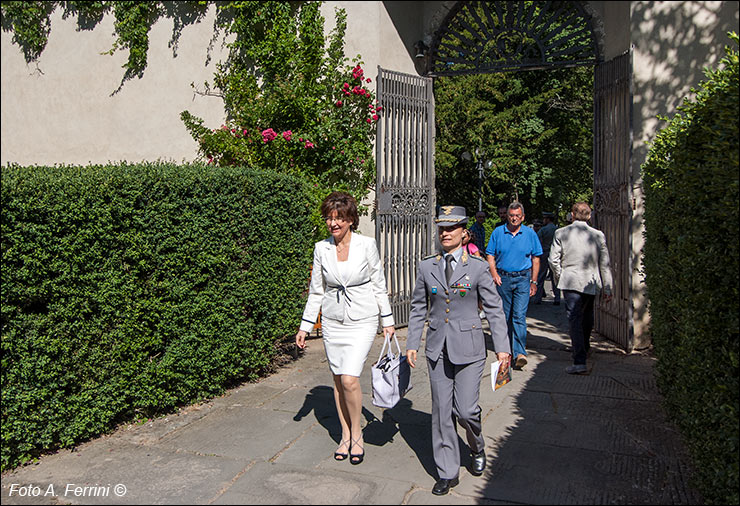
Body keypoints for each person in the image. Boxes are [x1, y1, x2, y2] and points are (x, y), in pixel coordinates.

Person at [406, 205, 510, 496]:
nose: (445, 233)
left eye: (451, 228)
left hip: (470, 348)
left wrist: (503, 348)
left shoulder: (477, 267)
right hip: (438, 348)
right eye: (441, 228)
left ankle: (477, 446)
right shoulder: (427, 266)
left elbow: (494, 309)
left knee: (465, 410)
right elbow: (417, 308)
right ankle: (447, 471)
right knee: (441, 412)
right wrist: (412, 342)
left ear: (465, 233)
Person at [295, 191, 395, 464]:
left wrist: (387, 321)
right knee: (338, 380)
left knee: (350, 378)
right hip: (333, 322)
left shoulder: (367, 245)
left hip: (362, 320)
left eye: (338, 218)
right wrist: (305, 326)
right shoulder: (321, 249)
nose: (332, 223)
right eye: (328, 218)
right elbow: (316, 291)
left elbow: (378, 284)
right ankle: (345, 435)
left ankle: (358, 434)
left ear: (351, 219)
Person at [549, 202, 614, 375]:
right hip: (590, 280)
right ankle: (584, 347)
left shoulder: (561, 233)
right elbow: (604, 264)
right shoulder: (597, 235)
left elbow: (553, 260)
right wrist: (607, 287)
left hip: (570, 280)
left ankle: (579, 359)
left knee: (574, 319)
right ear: (590, 216)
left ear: (572, 214)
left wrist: (559, 275)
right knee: (586, 316)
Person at [485, 202, 542, 370]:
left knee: (519, 316)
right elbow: (490, 255)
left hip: (523, 279)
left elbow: (536, 259)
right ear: (507, 216)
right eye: (511, 215)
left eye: (518, 216)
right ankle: (506, 351)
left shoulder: (530, 234)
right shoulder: (498, 232)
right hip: (504, 279)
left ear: (523, 217)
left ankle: (519, 353)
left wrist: (534, 281)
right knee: (504, 316)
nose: (514, 218)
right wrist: (494, 274)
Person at [532, 212, 561, 305]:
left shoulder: (543, 230)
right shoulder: (557, 230)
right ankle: (557, 298)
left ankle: (538, 298)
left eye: (544, 219)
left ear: (547, 219)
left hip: (544, 253)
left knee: (541, 276)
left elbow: (538, 242)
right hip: (555, 254)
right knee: (555, 277)